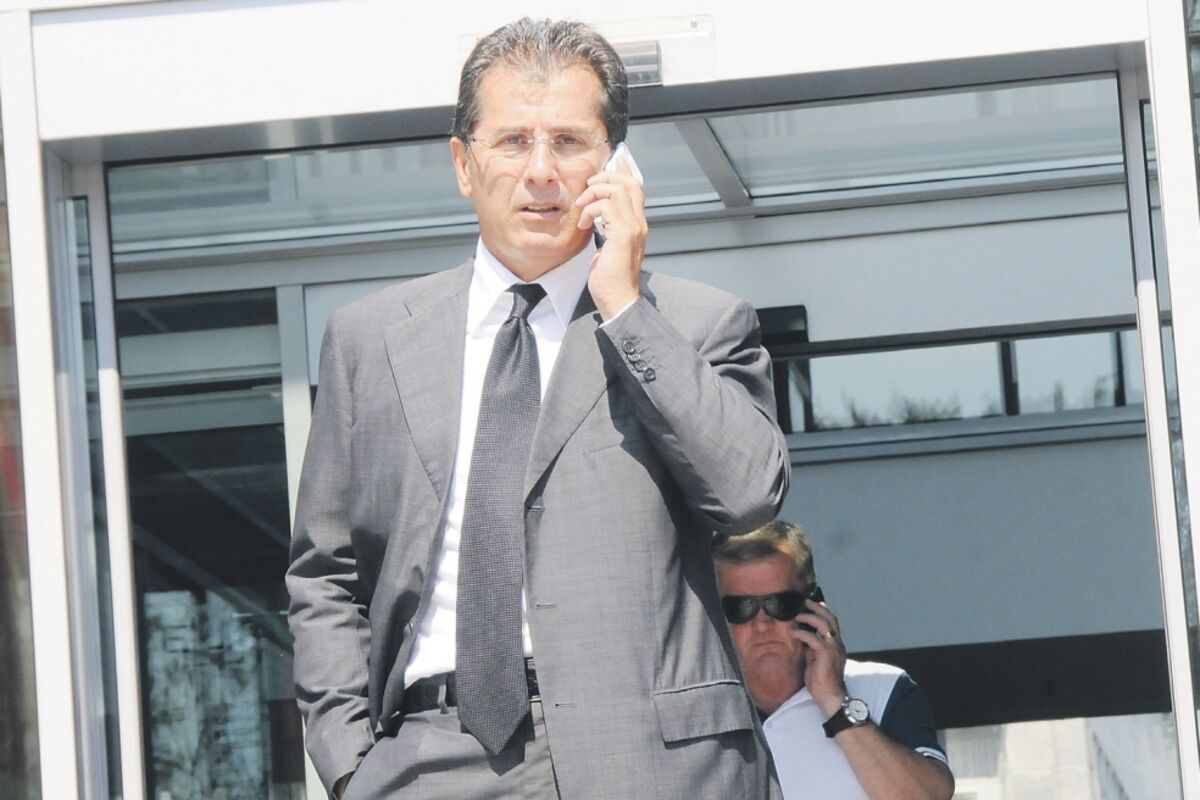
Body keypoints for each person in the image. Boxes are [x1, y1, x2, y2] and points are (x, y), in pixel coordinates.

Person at [286, 17, 790, 800]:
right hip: (429, 761)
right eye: (513, 142)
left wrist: (624, 305)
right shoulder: (369, 341)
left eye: (569, 142)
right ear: (464, 164)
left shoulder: (693, 324)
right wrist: (351, 764)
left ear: (616, 166)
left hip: (654, 762)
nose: (542, 172)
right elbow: (327, 574)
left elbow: (748, 493)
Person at [713, 521, 954, 800]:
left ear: (815, 603)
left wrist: (834, 699)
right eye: (740, 606)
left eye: (780, 603)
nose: (763, 623)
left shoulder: (884, 688)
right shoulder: (695, 709)